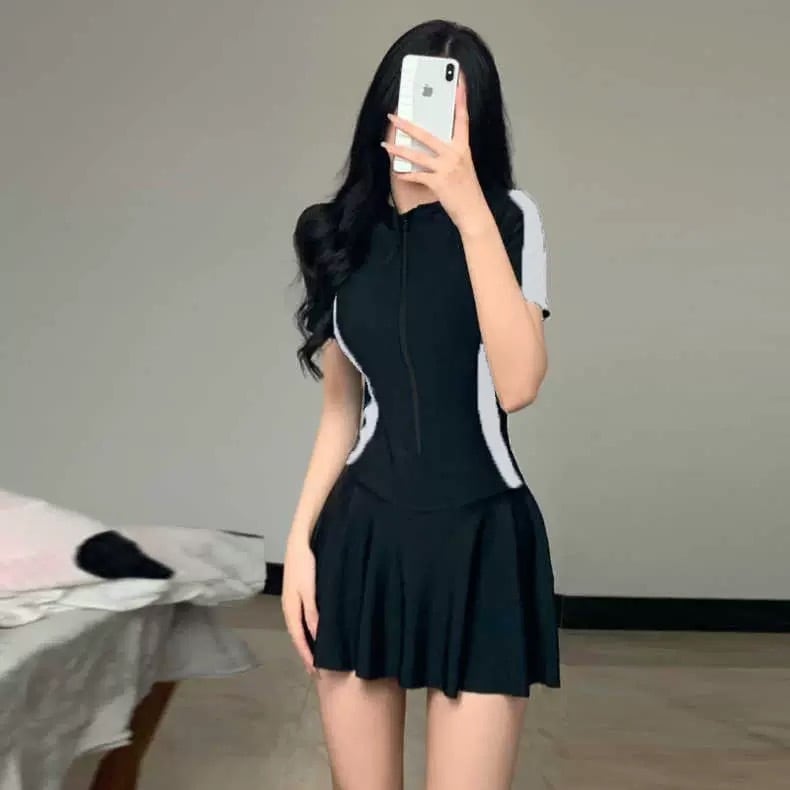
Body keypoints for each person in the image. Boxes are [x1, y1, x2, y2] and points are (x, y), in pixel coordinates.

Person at [282, 19, 560, 790]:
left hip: (482, 543)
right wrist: (300, 545)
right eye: (417, 98)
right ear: (386, 105)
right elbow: (341, 412)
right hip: (362, 537)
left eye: (452, 108)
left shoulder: (509, 218)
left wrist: (468, 209)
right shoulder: (333, 233)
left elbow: (518, 385)